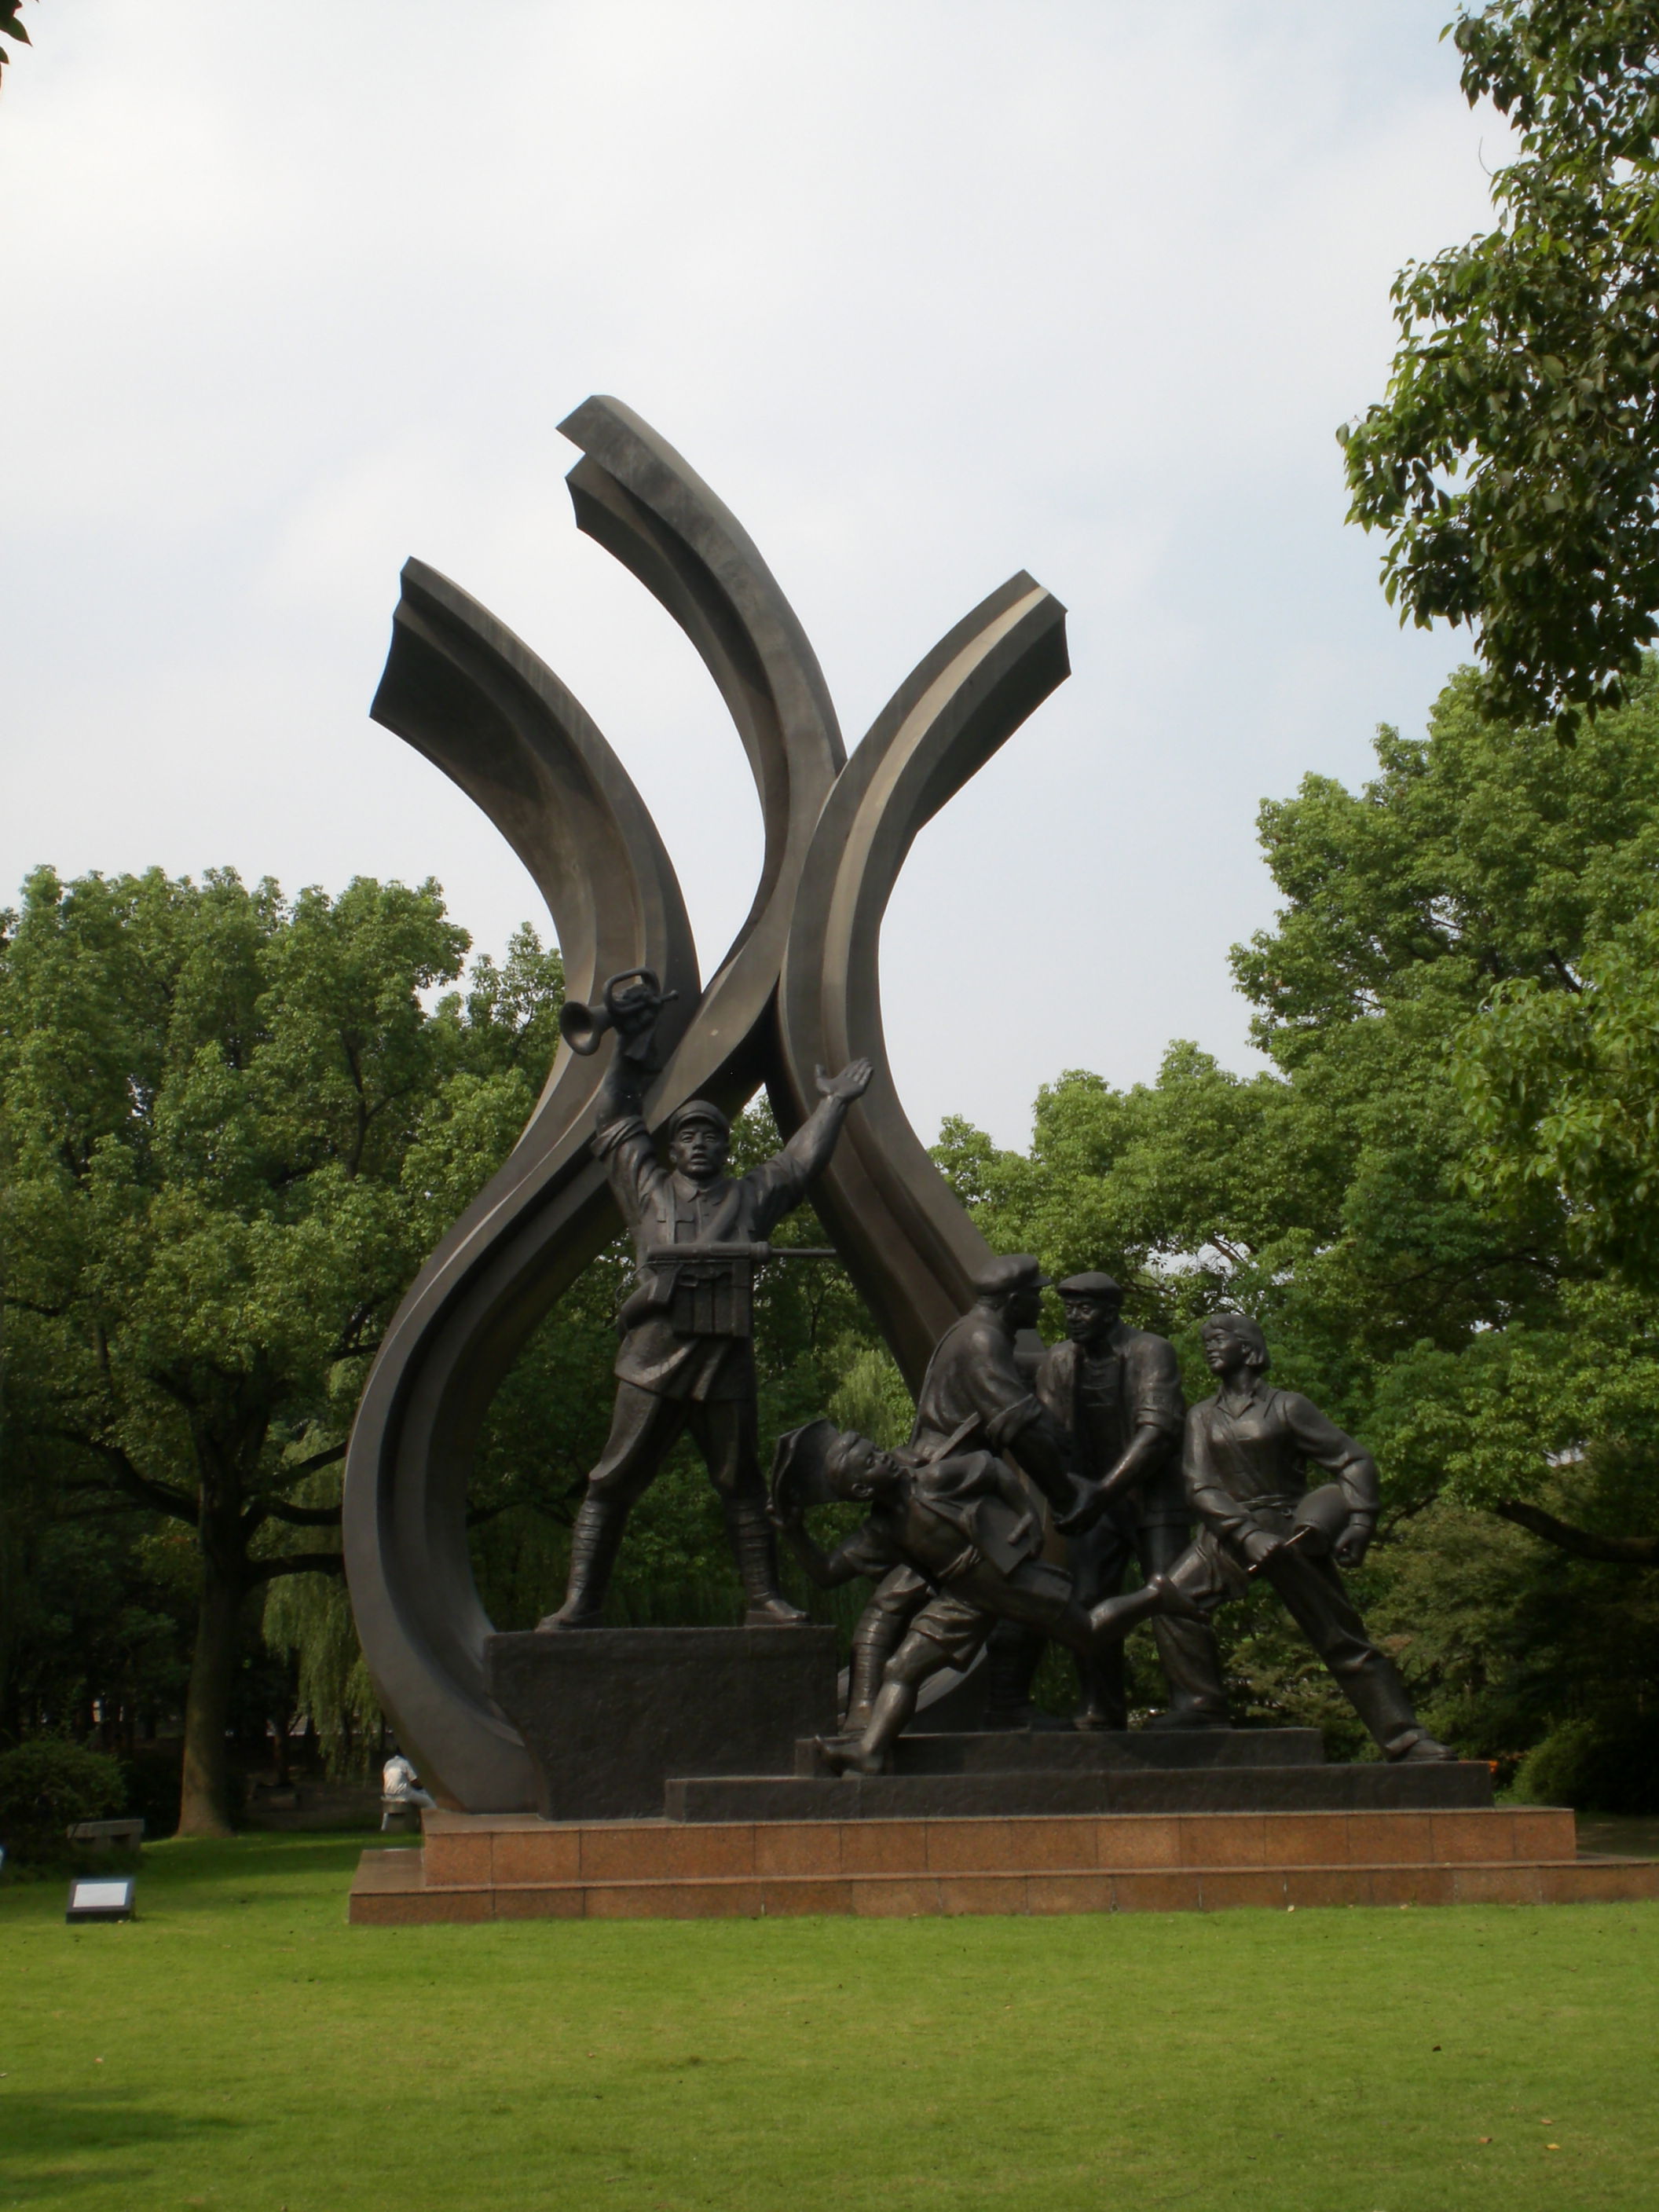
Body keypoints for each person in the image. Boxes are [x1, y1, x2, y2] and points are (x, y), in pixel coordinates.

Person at [539, 980, 873, 1630]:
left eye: (711, 1136)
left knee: (741, 1484)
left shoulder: (749, 1197)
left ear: (725, 1148)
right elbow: (612, 1119)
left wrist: (833, 1105)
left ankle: (764, 1600)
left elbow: (799, 1164)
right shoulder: (648, 1189)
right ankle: (582, 1602)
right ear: (672, 1149)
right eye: (688, 1136)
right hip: (651, 1359)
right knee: (612, 1481)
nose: (699, 1144)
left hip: (725, 1362)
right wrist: (629, 1050)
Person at [1108, 1313, 1455, 1763]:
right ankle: (1200, 1706)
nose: (1210, 1347)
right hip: (1228, 1533)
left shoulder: (1289, 1407)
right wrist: (1245, 1533)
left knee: (1340, 1638)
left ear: (1249, 1348)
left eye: (1221, 1339)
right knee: (1172, 1603)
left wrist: (1360, 1523)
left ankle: (1405, 1738)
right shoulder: (1201, 1415)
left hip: (1292, 1533)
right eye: (1206, 1341)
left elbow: (1353, 1461)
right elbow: (1198, 1486)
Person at [771, 1419, 1185, 1774]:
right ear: (861, 1490)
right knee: (900, 1669)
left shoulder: (932, 1479)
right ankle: (871, 1751)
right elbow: (826, 1573)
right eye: (868, 1461)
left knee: (1088, 1631)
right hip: (962, 1597)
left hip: (1002, 1577)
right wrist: (793, 1532)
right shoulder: (882, 1531)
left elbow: (991, 1469)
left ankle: (1156, 1595)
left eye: (875, 1450)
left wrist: (1026, 1514)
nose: (881, 1456)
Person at [839, 1254, 1099, 1730]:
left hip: (939, 1481)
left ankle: (876, 1711)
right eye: (1036, 1295)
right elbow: (1018, 1427)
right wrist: (1064, 1495)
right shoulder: (982, 1340)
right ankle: (866, 1713)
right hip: (949, 1491)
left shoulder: (972, 1333)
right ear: (1014, 1300)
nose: (1041, 1305)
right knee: (934, 1593)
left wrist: (1060, 1361)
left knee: (913, 1596)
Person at [1027, 1272, 1229, 1730]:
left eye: (1086, 1309)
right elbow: (1051, 1436)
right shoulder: (1059, 1360)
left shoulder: (1149, 1350)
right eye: (1069, 1309)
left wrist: (1100, 1493)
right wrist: (1073, 1493)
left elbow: (1157, 1432)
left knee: (1172, 1593)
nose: (1074, 1318)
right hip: (1092, 1501)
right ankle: (1101, 1706)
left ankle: (1201, 1704)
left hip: (1152, 1496)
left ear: (1112, 1312)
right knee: (1087, 1599)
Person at [381, 1748, 436, 1828]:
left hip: (388, 1794)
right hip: (404, 1795)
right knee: (430, 1803)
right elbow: (415, 1782)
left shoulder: (388, 1763)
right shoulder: (405, 1763)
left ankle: (384, 1827)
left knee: (417, 1794)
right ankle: (429, 1826)